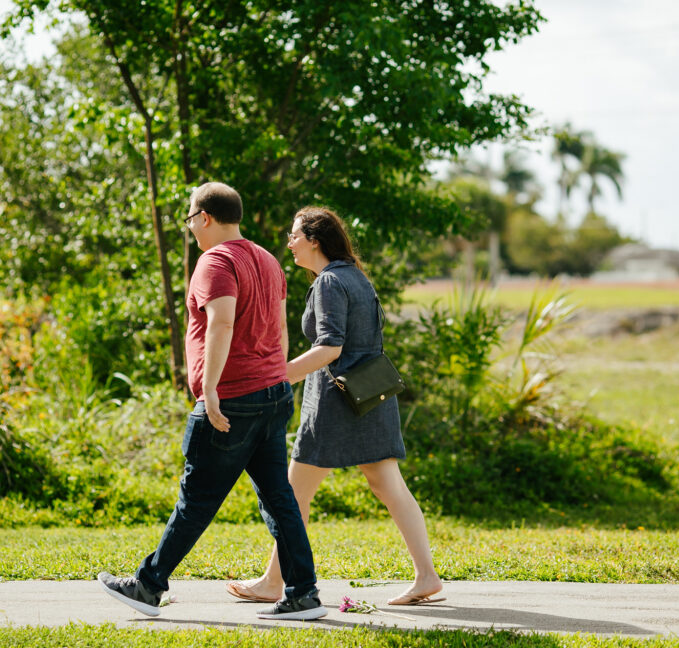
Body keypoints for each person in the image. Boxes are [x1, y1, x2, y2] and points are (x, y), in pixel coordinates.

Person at [98, 183, 327, 621]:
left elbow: (220, 324)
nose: (190, 230)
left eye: (190, 220)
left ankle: (147, 586)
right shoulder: (266, 259)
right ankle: (302, 593)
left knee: (196, 500)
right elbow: (279, 330)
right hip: (272, 395)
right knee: (280, 497)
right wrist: (274, 382)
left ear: (204, 217)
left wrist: (209, 390)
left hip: (232, 399)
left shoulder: (215, 261)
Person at [226, 206, 444, 606]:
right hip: (371, 396)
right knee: (387, 484)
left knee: (293, 493)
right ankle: (426, 575)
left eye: (294, 235)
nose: (289, 243)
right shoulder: (355, 275)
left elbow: (330, 346)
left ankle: (275, 581)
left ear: (314, 239)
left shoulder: (329, 282)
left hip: (335, 401)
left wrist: (277, 375)